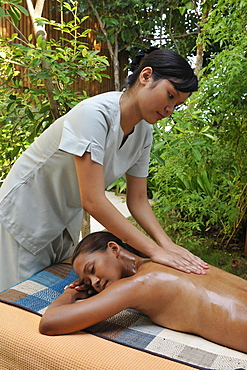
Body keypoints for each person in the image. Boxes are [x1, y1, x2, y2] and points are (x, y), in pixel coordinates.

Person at [0, 48, 208, 292]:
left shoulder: (143, 131)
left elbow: (138, 199)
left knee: (51, 295)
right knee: (16, 302)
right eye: (170, 96)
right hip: (26, 214)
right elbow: (93, 200)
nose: (169, 109)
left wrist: (166, 245)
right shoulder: (94, 115)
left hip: (63, 222)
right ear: (146, 76)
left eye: (177, 105)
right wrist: (154, 251)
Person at [39, 231, 247, 353]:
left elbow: (49, 323)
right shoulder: (170, 260)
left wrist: (71, 293)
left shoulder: (137, 284)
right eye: (85, 281)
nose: (93, 283)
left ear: (114, 248)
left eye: (92, 270)